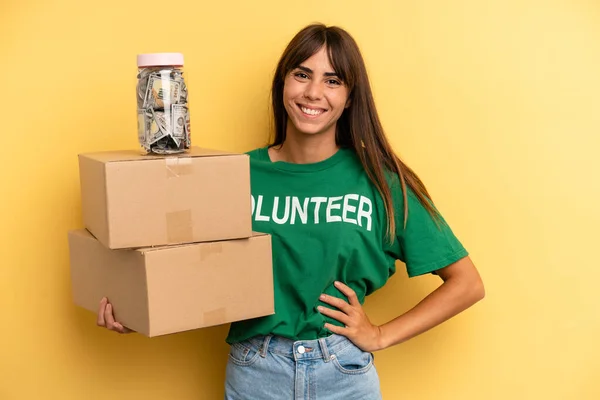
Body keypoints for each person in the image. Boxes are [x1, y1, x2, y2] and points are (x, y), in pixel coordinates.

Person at [97, 23, 485, 399]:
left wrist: (380, 334)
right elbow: (188, 266)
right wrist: (138, 309)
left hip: (343, 372)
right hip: (255, 372)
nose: (314, 92)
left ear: (350, 97)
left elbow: (466, 283)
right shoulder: (232, 175)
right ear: (283, 83)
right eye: (302, 74)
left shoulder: (381, 184)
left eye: (333, 81)